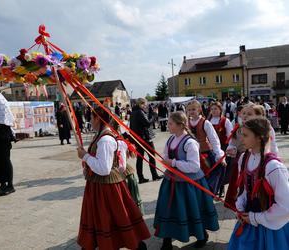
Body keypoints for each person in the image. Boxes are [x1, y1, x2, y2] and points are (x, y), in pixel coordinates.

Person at [77, 106, 150, 250]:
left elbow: (104, 169)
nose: (90, 121)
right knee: (106, 218)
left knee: (112, 218)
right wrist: (88, 166)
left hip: (107, 189)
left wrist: (85, 156)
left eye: (91, 118)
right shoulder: (101, 135)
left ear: (98, 118)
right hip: (99, 186)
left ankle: (135, 245)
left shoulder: (105, 140)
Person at [154, 111, 219, 249]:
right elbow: (166, 155)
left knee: (192, 210)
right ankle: (166, 241)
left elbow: (195, 166)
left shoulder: (190, 142)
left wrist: (173, 163)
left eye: (170, 123)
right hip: (171, 181)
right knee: (168, 209)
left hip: (189, 184)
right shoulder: (171, 139)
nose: (168, 125)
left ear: (179, 125)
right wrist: (166, 161)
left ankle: (202, 236)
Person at [228, 117, 289, 250]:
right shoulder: (244, 158)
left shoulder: (273, 167)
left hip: (270, 226)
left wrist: (256, 218)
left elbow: (285, 206)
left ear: (259, 138)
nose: (241, 139)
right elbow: (244, 188)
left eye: (245, 135)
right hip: (248, 221)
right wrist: (240, 206)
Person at [187, 100, 226, 195]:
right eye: (189, 110)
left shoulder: (205, 122)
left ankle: (210, 191)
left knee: (219, 168)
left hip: (206, 152)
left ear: (200, 109)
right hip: (193, 154)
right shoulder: (186, 123)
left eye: (193, 109)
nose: (191, 111)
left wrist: (219, 155)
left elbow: (214, 139)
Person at [130, 98, 163, 183]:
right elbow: (148, 123)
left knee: (140, 159)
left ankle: (141, 178)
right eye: (145, 104)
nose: (146, 106)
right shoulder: (140, 112)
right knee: (152, 156)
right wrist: (155, 114)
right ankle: (154, 175)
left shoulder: (133, 112)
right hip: (145, 138)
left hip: (138, 138)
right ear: (141, 104)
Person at [208, 101, 233, 197]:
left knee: (222, 169)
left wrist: (229, 147)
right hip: (211, 148)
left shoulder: (225, 121)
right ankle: (214, 188)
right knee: (212, 169)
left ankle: (221, 189)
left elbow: (230, 135)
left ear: (220, 110)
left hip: (222, 147)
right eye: (212, 109)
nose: (213, 111)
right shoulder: (208, 121)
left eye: (216, 109)